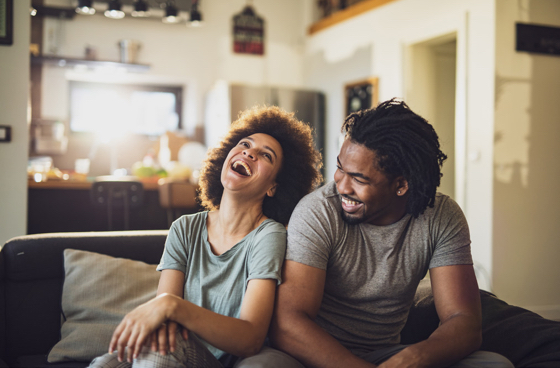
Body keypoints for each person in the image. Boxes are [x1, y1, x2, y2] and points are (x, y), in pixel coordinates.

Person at [240, 99, 514, 368]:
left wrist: (415, 358)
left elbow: (463, 320)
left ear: (401, 185)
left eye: (359, 179)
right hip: (307, 355)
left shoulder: (441, 217)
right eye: (339, 168)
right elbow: (288, 324)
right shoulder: (317, 212)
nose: (341, 185)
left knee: (494, 364)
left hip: (385, 355)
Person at [88, 105, 322, 368]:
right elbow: (165, 320)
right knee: (108, 362)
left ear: (273, 187)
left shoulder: (268, 235)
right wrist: (167, 311)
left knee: (162, 351)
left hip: (214, 360)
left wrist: (172, 307)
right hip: (176, 352)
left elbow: (251, 338)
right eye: (245, 143)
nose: (249, 152)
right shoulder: (184, 229)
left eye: (265, 155)